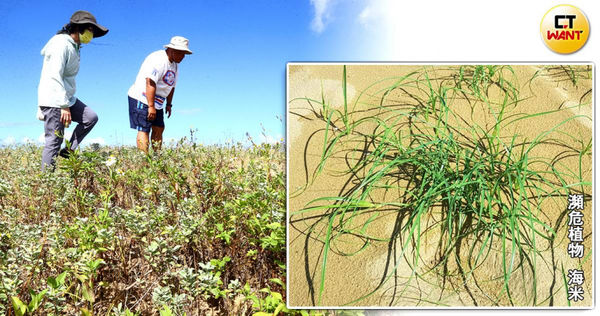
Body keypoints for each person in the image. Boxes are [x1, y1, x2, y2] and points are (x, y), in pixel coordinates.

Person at [38, 10, 108, 171]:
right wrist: (63, 105)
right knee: (54, 140)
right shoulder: (60, 44)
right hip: (54, 99)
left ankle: (69, 150)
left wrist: (66, 102)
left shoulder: (75, 46)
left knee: (90, 117)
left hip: (66, 97)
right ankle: (46, 182)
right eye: (90, 29)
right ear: (78, 28)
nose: (91, 34)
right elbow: (53, 75)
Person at [128, 36, 192, 153]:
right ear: (172, 50)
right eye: (181, 53)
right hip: (143, 97)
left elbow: (171, 86)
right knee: (144, 128)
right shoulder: (158, 59)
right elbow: (150, 82)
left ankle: (157, 159)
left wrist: (169, 104)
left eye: (184, 54)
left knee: (159, 127)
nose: (183, 57)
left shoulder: (175, 65)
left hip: (158, 101)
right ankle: (144, 161)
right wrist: (151, 106)